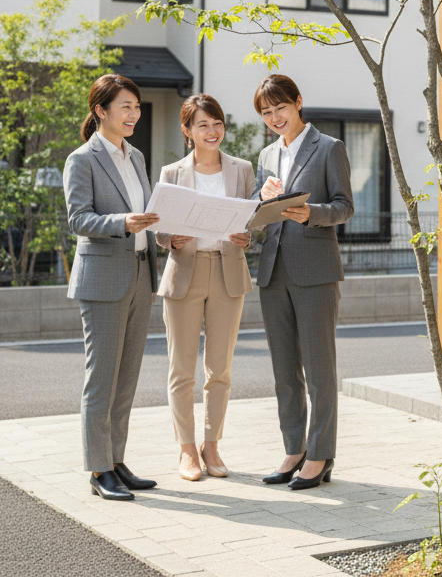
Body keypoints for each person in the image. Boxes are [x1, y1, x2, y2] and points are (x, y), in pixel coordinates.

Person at [252, 74, 353, 490]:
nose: (275, 117)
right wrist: (263, 203)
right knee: (283, 370)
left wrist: (311, 212)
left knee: (318, 369)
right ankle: (293, 448)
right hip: (273, 269)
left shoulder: (329, 148)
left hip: (315, 270)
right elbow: (261, 213)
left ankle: (320, 454)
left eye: (280, 108)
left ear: (298, 102)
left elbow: (344, 207)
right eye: (266, 112)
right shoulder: (266, 156)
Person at [63, 74, 160, 502]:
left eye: (137, 107)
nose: (133, 114)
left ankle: (117, 459)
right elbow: (79, 219)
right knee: (101, 378)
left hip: (141, 274)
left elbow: (147, 212)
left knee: (126, 377)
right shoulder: (82, 160)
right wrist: (123, 223)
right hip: (102, 278)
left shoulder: (136, 156)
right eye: (125, 106)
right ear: (101, 111)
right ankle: (99, 468)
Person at [155, 94, 255, 481]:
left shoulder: (242, 170)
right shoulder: (172, 172)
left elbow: (251, 220)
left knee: (220, 369)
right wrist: (170, 238)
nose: (211, 131)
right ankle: (186, 450)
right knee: (182, 369)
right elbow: (159, 227)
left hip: (228, 272)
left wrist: (248, 236)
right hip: (185, 272)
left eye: (216, 123)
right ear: (187, 132)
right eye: (202, 125)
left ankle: (211, 446)